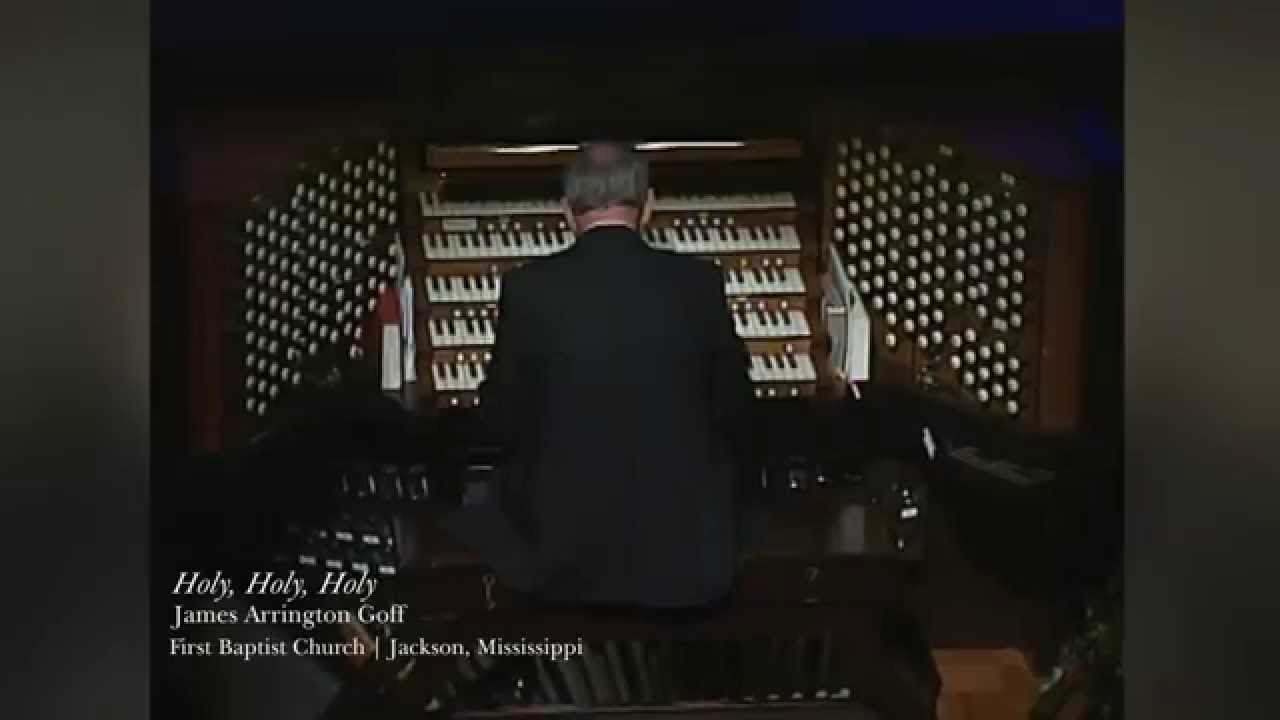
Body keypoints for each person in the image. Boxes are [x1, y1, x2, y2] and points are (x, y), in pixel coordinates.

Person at [442, 141, 755, 609]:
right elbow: (736, 411)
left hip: (562, 562)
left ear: (567, 211)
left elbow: (499, 424)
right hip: (687, 560)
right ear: (649, 207)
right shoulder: (700, 283)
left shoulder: (529, 290)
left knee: (469, 507)